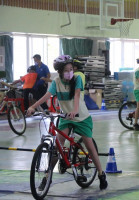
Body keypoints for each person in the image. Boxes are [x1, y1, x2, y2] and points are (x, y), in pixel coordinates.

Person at [27, 55, 108, 190]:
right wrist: (33, 107)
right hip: (65, 117)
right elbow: (47, 95)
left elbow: (77, 95)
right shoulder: (56, 82)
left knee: (89, 146)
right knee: (56, 148)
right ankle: (48, 177)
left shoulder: (76, 79)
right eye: (66, 70)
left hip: (81, 117)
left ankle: (100, 173)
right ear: (60, 71)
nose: (70, 72)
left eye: (71, 69)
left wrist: (75, 110)